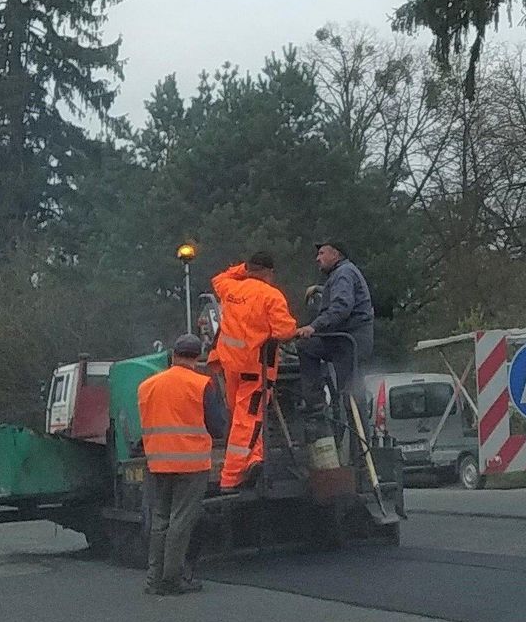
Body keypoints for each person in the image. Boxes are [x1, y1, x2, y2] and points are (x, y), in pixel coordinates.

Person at [138, 333, 228, 596]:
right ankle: (173, 578)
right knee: (181, 521)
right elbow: (217, 427)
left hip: (157, 463)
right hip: (191, 464)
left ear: (173, 355)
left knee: (160, 520)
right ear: (197, 356)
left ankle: (154, 579)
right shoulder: (202, 384)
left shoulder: (147, 385)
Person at [210, 251, 298, 491]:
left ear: (248, 269)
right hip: (254, 369)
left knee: (246, 418)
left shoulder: (230, 288)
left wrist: (243, 269)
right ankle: (231, 476)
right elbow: (285, 331)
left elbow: (218, 279)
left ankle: (255, 459)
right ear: (269, 273)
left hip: (230, 366)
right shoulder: (271, 296)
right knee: (247, 420)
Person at [295, 240, 374, 411]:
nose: (317, 258)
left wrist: (313, 327)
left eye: (322, 253)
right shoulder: (344, 273)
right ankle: (326, 407)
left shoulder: (343, 273)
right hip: (346, 341)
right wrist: (319, 289)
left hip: (349, 342)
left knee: (351, 394)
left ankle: (317, 405)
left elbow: (341, 307)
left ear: (336, 255)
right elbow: (342, 294)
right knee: (307, 346)